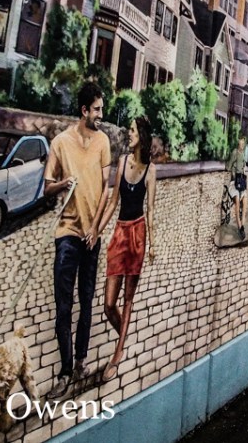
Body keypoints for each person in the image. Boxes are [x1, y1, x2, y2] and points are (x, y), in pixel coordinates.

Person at [44, 81, 112, 399]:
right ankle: (65, 371)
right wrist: (62, 183)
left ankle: (82, 361)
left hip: (91, 237)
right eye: (97, 109)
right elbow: (46, 187)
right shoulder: (60, 143)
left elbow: (107, 189)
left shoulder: (103, 142)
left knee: (86, 302)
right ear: (84, 110)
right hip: (67, 235)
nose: (102, 113)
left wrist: (96, 229)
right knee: (63, 305)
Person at [95, 116, 156, 383]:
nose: (128, 134)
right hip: (120, 234)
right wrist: (98, 228)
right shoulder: (121, 163)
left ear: (141, 136)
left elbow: (151, 210)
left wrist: (153, 244)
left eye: (132, 131)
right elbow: (113, 202)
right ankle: (125, 335)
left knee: (128, 300)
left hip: (138, 234)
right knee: (109, 304)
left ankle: (117, 355)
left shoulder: (150, 171)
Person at [226, 134, 247, 239]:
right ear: (238, 142)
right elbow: (228, 166)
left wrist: (244, 171)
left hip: (241, 182)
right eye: (240, 143)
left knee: (245, 200)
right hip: (234, 182)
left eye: (243, 143)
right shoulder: (235, 152)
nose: (242, 145)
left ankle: (242, 225)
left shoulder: (243, 154)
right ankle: (239, 227)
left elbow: (243, 166)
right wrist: (233, 171)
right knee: (237, 200)